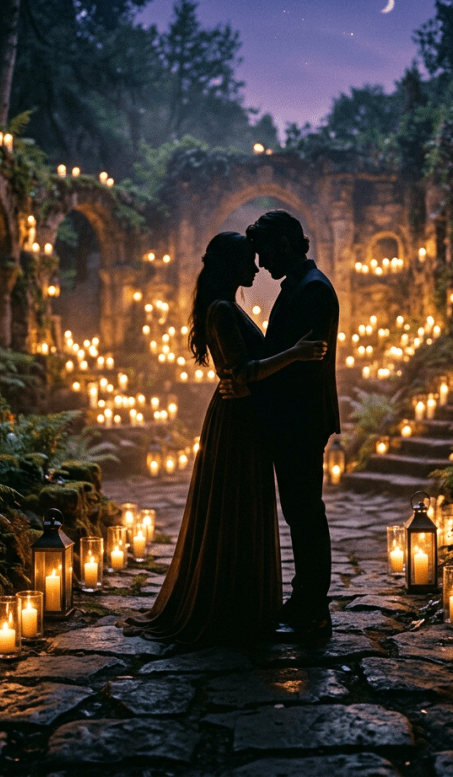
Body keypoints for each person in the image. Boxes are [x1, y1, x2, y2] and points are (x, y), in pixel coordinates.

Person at [120, 232, 327, 646]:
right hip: (235, 420)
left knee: (244, 507)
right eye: (248, 262)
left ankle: (243, 603)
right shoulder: (220, 310)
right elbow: (240, 373)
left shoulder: (228, 306)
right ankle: (230, 607)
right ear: (231, 266)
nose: (255, 269)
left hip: (246, 416)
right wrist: (296, 354)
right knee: (235, 507)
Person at [245, 210, 340, 641]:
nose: (261, 263)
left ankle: (313, 607)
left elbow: (306, 366)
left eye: (265, 252)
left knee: (305, 513)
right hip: (295, 419)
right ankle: (304, 599)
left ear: (285, 243)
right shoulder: (301, 285)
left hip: (300, 419)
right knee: (299, 512)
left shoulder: (313, 290)